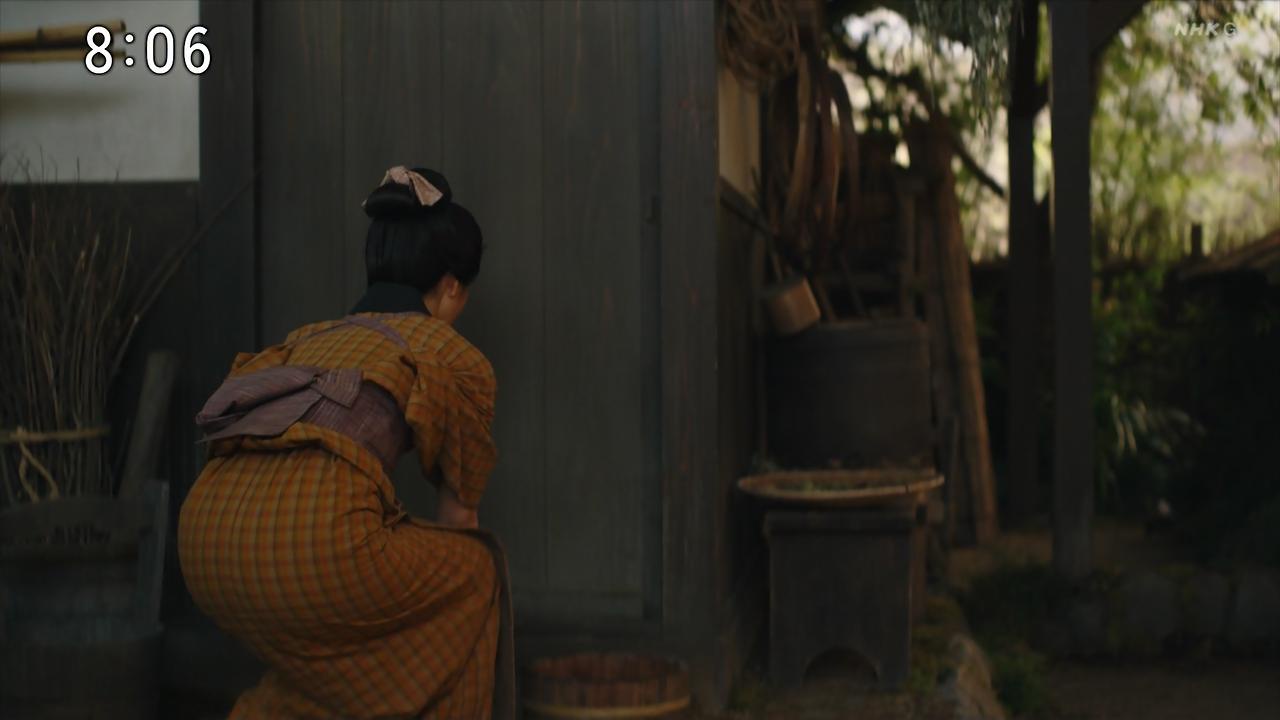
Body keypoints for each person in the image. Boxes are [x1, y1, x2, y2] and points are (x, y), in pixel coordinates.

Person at [178, 167, 504, 719]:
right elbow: (459, 514)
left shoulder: (309, 338)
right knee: (475, 571)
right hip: (315, 549)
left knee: (326, 654)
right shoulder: (449, 352)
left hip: (206, 545)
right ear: (452, 286)